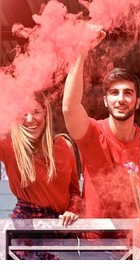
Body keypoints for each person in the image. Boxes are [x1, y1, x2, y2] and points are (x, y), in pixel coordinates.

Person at [62, 30, 140, 258]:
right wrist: (82, 50)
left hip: (134, 246)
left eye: (128, 93)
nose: (120, 99)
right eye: (114, 93)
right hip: (93, 246)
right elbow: (69, 107)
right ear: (105, 100)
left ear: (137, 102)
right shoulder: (92, 132)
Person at [0, 90, 80, 259]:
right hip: (25, 227)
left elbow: (74, 192)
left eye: (36, 112)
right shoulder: (8, 147)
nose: (30, 119)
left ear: (46, 114)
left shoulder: (65, 145)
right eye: (24, 113)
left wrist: (72, 210)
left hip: (62, 228)